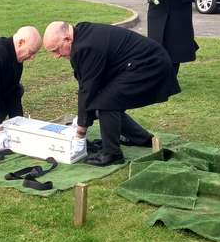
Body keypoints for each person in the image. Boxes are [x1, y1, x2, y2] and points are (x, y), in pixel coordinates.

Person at [42, 21, 180, 166]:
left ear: (67, 39)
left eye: (56, 50)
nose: (56, 56)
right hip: (138, 63)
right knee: (105, 99)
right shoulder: (81, 34)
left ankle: (112, 153)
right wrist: (82, 119)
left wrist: (80, 133)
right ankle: (142, 139)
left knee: (105, 102)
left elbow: (87, 90)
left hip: (151, 65)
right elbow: (88, 86)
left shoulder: (86, 46)